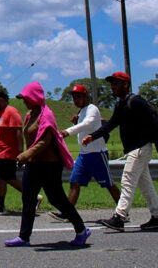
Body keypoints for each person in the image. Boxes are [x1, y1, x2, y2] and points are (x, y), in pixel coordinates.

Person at [4, 81, 90, 247]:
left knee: (57, 200)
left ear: (35, 97)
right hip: (34, 164)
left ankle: (81, 230)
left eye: (26, 98)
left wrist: (24, 155)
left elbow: (44, 142)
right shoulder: (30, 115)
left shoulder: (46, 115)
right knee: (28, 198)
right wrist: (26, 157)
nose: (24, 101)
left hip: (50, 165)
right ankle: (24, 237)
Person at [82, 71, 158, 232]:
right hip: (134, 149)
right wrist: (92, 136)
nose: (113, 87)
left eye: (116, 84)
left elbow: (153, 125)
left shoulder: (137, 102)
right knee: (145, 184)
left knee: (127, 180)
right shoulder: (121, 105)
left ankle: (119, 217)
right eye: (112, 84)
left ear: (126, 85)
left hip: (141, 148)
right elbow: (110, 125)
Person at [48, 85, 120, 222]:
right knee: (75, 182)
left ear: (86, 97)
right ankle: (67, 212)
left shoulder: (92, 109)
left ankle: (123, 211)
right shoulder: (82, 112)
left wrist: (68, 131)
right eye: (74, 97)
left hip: (97, 154)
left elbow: (88, 123)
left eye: (78, 97)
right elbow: (84, 125)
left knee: (109, 184)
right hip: (84, 154)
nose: (76, 100)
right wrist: (77, 120)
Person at [0, 90, 42, 215]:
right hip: (0, 153)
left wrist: (20, 152)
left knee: (5, 177)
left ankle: (30, 198)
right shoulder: (0, 114)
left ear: (2, 100)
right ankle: (2, 204)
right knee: (3, 177)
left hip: (8, 152)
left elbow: (18, 132)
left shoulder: (12, 112)